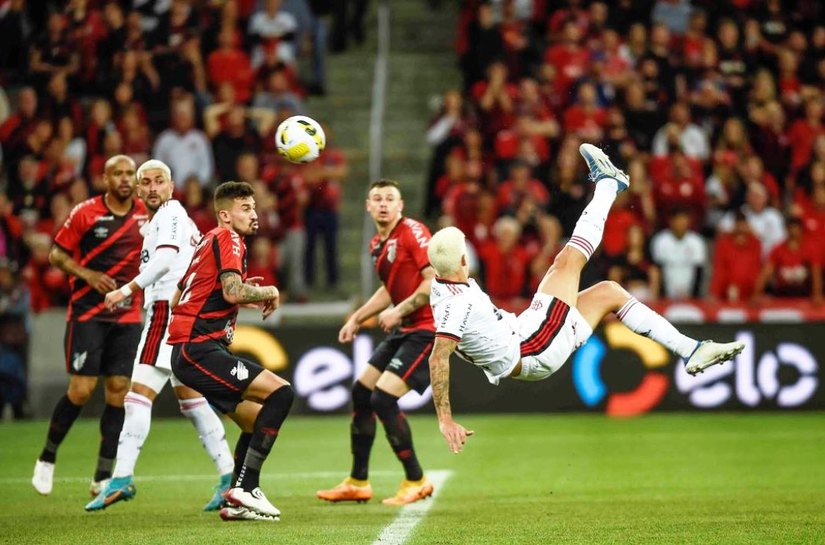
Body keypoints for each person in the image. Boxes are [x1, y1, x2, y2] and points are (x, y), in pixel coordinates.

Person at [427, 145, 746, 454]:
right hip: (532, 346)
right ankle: (610, 183)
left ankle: (692, 350)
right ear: (464, 261)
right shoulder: (457, 303)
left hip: (526, 335)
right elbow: (439, 357)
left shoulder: (440, 285)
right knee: (567, 260)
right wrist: (445, 420)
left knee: (609, 292)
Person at [85, 160, 234, 512]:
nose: (152, 188)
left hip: (167, 313)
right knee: (192, 401)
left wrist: (126, 290)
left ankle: (120, 478)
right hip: (182, 314)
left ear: (170, 187)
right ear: (138, 191)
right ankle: (229, 477)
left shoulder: (169, 213)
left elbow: (166, 259)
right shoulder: (166, 220)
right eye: (146, 183)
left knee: (137, 397)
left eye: (159, 181)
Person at [167, 181, 292, 522]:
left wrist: (248, 296)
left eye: (254, 207)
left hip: (191, 350)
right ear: (225, 214)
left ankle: (236, 502)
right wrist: (269, 289)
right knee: (281, 394)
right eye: (246, 208)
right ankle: (247, 487)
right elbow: (233, 292)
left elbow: (180, 298)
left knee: (254, 422)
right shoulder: (227, 238)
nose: (255, 214)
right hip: (200, 349)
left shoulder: (207, 240)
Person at [32, 155, 148, 496]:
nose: (126, 179)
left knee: (118, 390)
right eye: (119, 174)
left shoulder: (147, 214)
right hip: (88, 314)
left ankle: (101, 475)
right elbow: (56, 254)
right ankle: (47, 457)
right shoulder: (85, 212)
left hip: (127, 316)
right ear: (105, 179)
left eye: (130, 174)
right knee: (81, 390)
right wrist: (87, 274)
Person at [316, 179, 436, 506]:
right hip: (404, 329)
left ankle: (416, 479)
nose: (383, 204)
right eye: (377, 199)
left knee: (383, 398)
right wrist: (358, 317)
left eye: (390, 199)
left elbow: (432, 281)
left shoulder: (412, 231)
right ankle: (358, 481)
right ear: (368, 206)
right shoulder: (377, 243)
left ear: (401, 206)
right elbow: (389, 289)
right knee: (361, 392)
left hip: (426, 329)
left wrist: (399, 310)